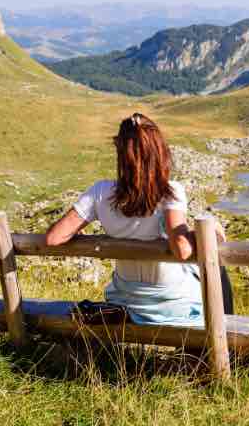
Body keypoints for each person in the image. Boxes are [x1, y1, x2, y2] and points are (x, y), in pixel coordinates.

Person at [45, 112, 232, 326]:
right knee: (217, 269)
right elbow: (182, 249)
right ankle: (227, 334)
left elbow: (53, 238)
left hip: (124, 297)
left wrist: (75, 230)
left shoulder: (100, 192)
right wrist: (213, 230)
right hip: (170, 303)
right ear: (159, 152)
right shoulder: (170, 192)